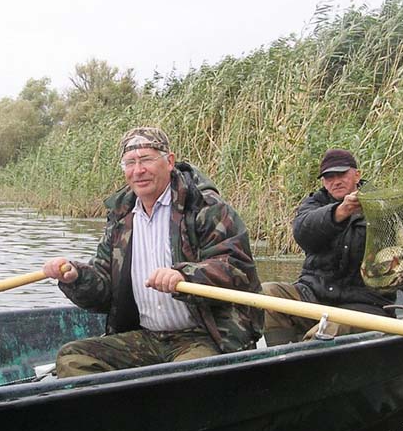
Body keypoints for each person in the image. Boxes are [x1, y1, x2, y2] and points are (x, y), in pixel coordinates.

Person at [42, 127, 262, 378]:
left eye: (146, 159)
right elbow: (104, 290)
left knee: (182, 375)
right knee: (73, 356)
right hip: (146, 336)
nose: (138, 170)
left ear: (169, 161)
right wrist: (76, 277)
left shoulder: (207, 208)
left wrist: (185, 276)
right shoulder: (120, 217)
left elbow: (236, 269)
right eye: (130, 163)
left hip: (206, 336)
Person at [260, 148, 403, 345]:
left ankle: (307, 356)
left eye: (341, 174)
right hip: (313, 295)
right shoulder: (314, 204)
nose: (336, 181)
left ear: (357, 175)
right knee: (266, 293)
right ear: (322, 181)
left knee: (329, 329)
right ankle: (280, 356)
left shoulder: (382, 203)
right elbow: (303, 233)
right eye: (329, 177)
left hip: (366, 304)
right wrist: (340, 211)